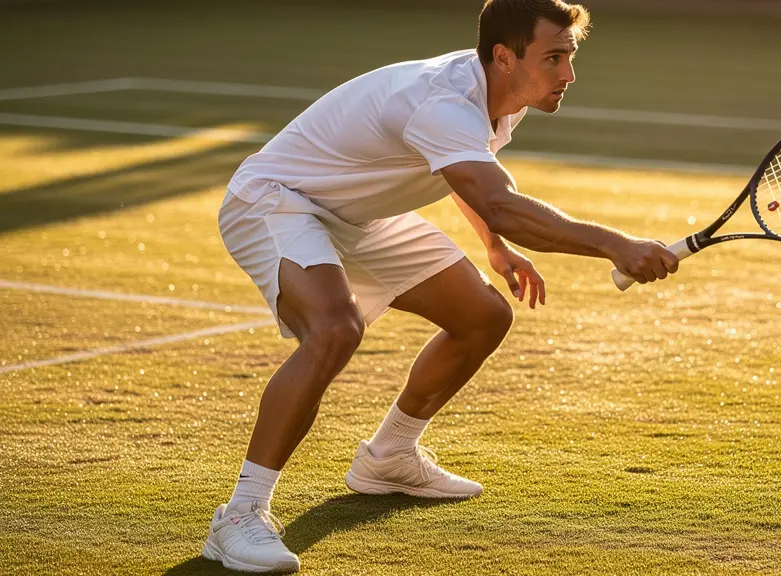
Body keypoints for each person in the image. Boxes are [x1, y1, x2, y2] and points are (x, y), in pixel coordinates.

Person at [203, 0, 679, 571]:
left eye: (570, 57)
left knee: (483, 314)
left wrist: (493, 244)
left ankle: (389, 456)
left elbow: (462, 173)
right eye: (553, 58)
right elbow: (498, 200)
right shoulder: (444, 102)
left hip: (359, 215)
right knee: (334, 329)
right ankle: (239, 514)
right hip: (278, 200)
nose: (568, 74)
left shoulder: (504, 94)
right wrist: (615, 244)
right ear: (505, 57)